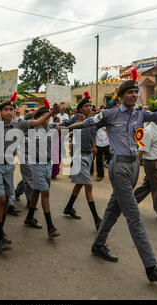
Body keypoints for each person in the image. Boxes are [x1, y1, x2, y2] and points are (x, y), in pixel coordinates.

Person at [66, 69, 157, 282]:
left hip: (135, 167)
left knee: (113, 209)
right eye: (130, 92)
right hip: (118, 167)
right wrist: (64, 127)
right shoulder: (109, 114)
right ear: (121, 96)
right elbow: (86, 123)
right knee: (134, 216)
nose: (135, 95)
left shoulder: (141, 114)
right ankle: (151, 267)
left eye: (136, 92)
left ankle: (98, 245)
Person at [0, 92, 60, 253]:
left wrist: (52, 112)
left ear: (14, 112)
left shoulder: (19, 125)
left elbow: (39, 121)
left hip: (9, 168)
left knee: (5, 202)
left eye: (11, 109)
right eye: (5, 109)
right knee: (1, 199)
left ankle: (0, 231)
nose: (8, 112)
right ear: (0, 112)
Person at [62, 92, 102, 230]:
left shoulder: (94, 119)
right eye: (86, 105)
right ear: (80, 108)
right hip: (79, 156)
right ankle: (97, 219)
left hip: (89, 155)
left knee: (79, 183)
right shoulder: (75, 120)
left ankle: (68, 207)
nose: (89, 107)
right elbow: (62, 126)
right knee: (88, 186)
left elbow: (95, 132)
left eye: (90, 105)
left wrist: (95, 145)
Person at [23, 101, 61, 238]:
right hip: (36, 164)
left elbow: (65, 128)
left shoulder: (51, 130)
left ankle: (29, 217)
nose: (47, 120)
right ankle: (50, 227)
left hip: (47, 164)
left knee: (37, 190)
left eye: (48, 118)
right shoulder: (33, 130)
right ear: (38, 119)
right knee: (45, 192)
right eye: (44, 118)